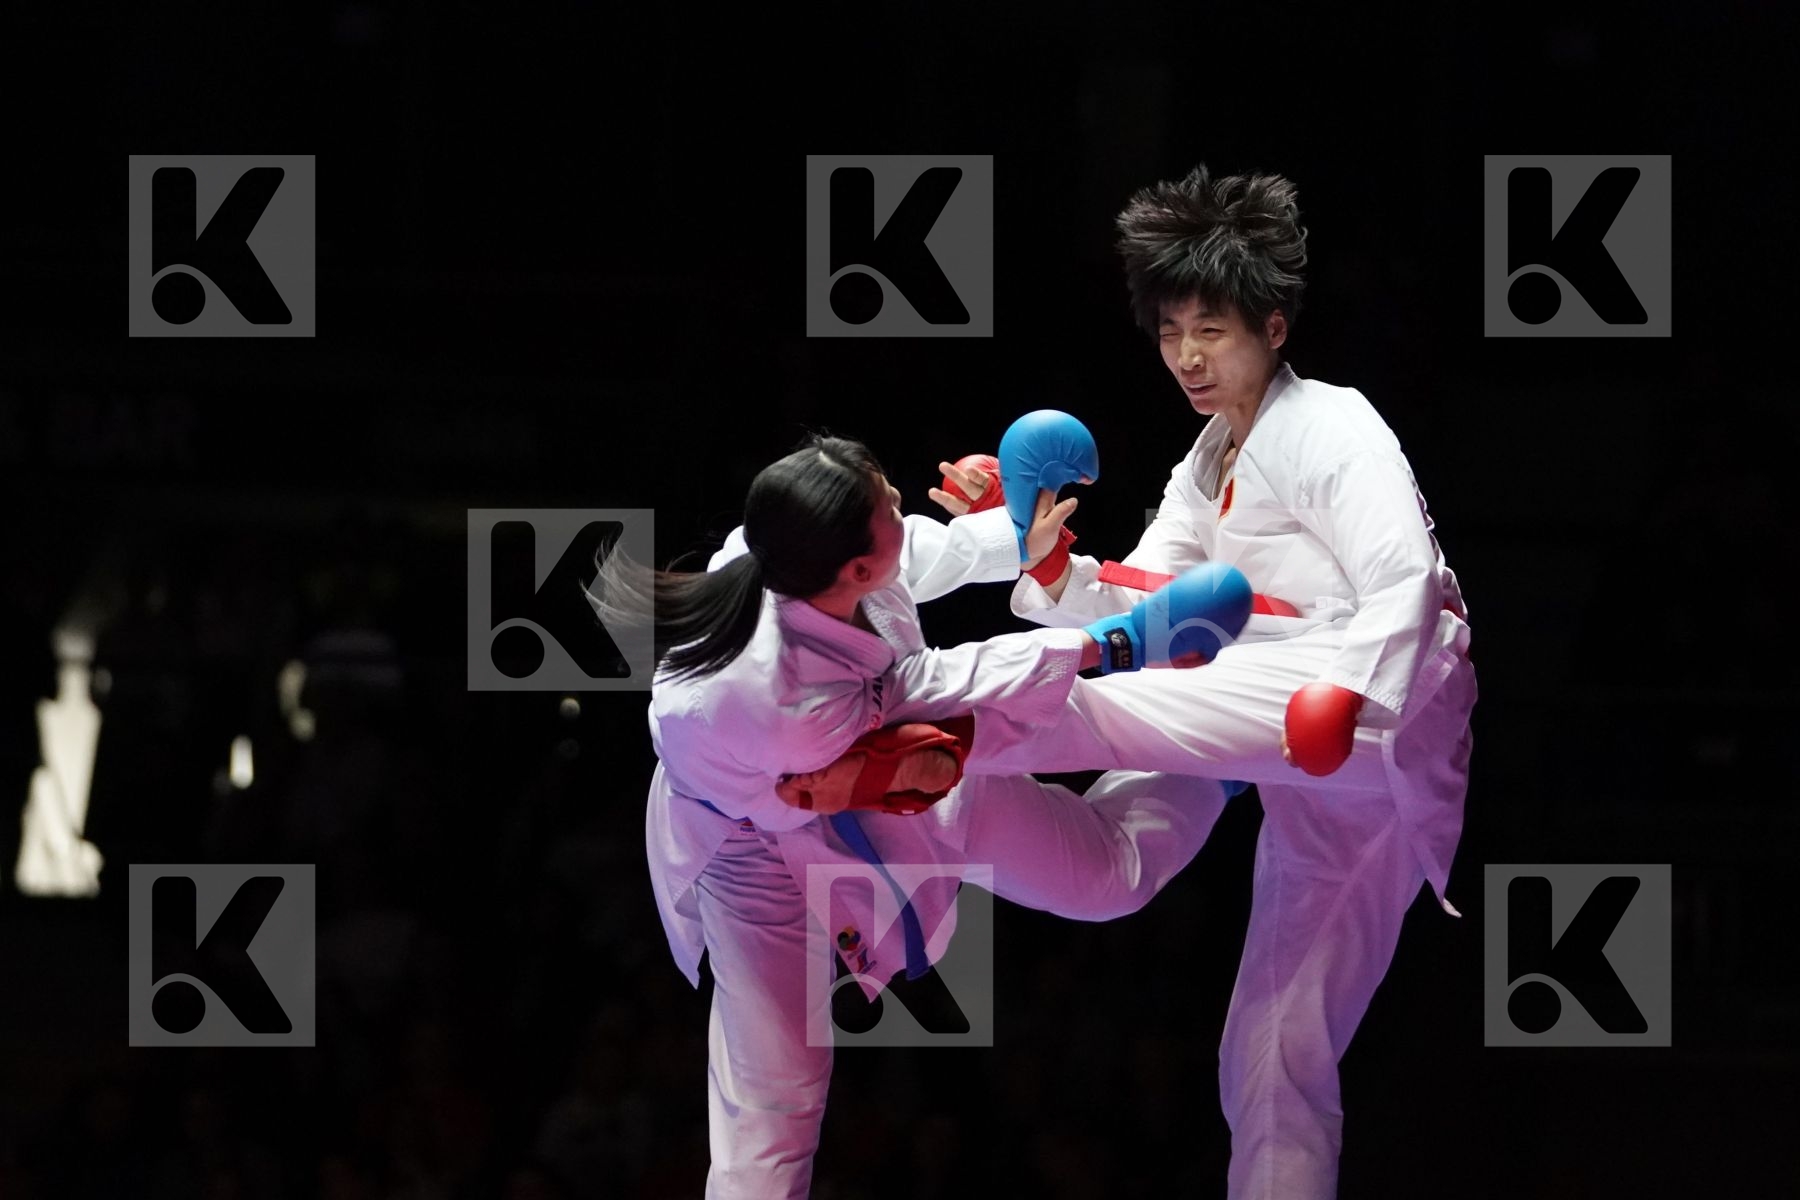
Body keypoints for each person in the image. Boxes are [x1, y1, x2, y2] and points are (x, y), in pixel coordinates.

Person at [921, 164, 1478, 1199]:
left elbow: (1405, 577)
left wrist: (1355, 697)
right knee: (1264, 1053)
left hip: (1360, 708)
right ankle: (942, 810)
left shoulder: (1335, 425)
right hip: (1290, 751)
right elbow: (1158, 613)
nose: (1186, 356)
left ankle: (905, 729)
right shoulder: (1207, 457)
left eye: (1209, 331)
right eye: (1171, 332)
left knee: (1104, 701)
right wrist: (1051, 567)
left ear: (1272, 325)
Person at [593, 433, 1245, 1199]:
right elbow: (945, 685)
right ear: (853, 568)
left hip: (882, 778)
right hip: (751, 855)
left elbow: (914, 569)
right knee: (773, 1108)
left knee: (1106, 879)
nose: (904, 502)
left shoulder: (783, 550)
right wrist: (1116, 644)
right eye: (890, 505)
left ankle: (1221, 760)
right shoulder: (783, 698)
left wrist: (1009, 533)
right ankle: (1228, 742)